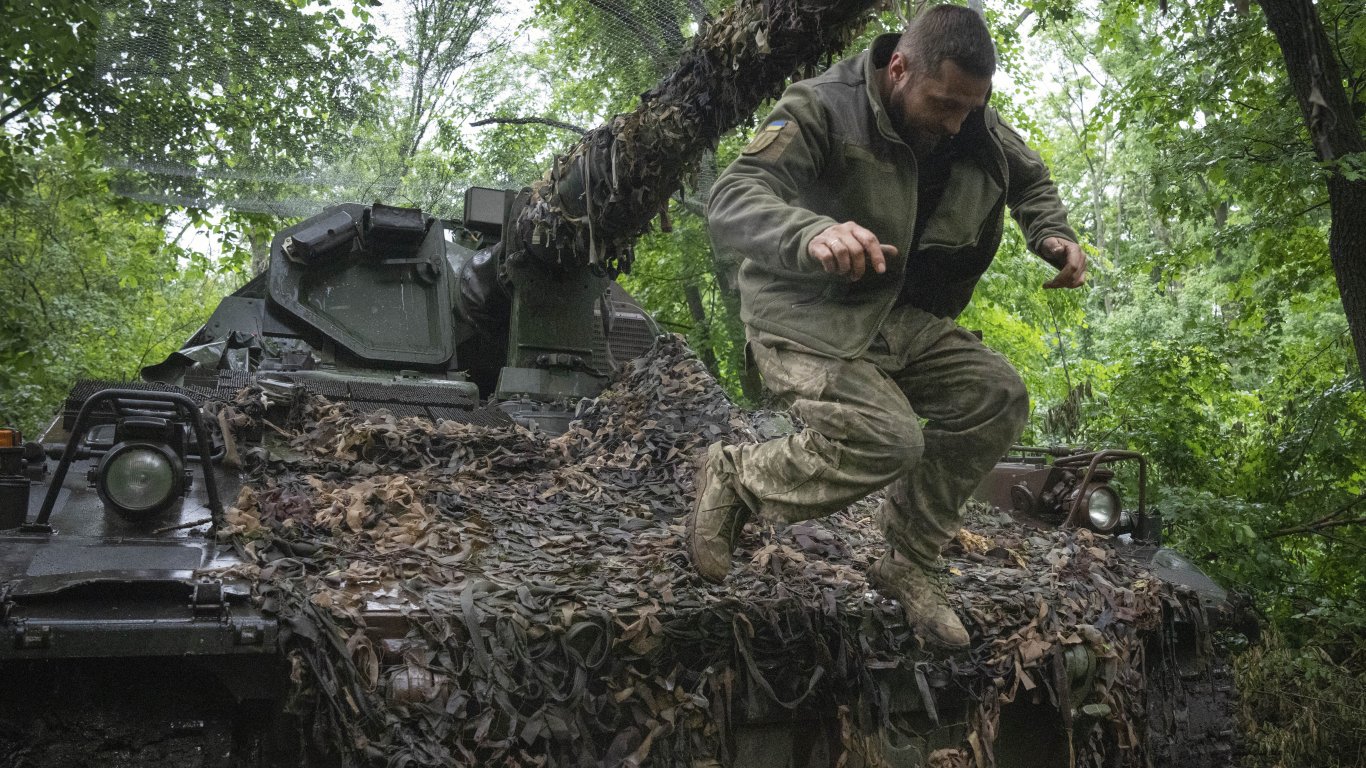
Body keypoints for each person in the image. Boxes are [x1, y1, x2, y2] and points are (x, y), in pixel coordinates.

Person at [689, 4, 1086, 649]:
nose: (955, 122)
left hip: (901, 317)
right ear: (899, 67)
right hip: (805, 315)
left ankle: (908, 559)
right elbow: (733, 198)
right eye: (943, 103)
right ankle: (737, 474)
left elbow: (1029, 177)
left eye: (969, 108)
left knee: (996, 396)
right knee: (889, 440)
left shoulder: (970, 119)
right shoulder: (821, 106)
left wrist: (1052, 233)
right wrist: (812, 231)